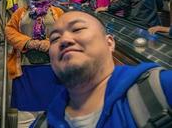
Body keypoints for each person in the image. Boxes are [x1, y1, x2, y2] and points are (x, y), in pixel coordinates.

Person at [32, 11, 172, 127]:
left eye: (77, 29)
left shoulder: (162, 88)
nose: (64, 40)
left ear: (109, 43)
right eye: (55, 39)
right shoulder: (44, 123)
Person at [5, 0, 64, 126]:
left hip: (53, 69)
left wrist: (50, 43)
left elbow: (67, 34)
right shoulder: (21, 12)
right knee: (25, 115)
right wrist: (27, 42)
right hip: (25, 69)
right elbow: (9, 29)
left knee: (55, 111)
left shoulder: (57, 12)